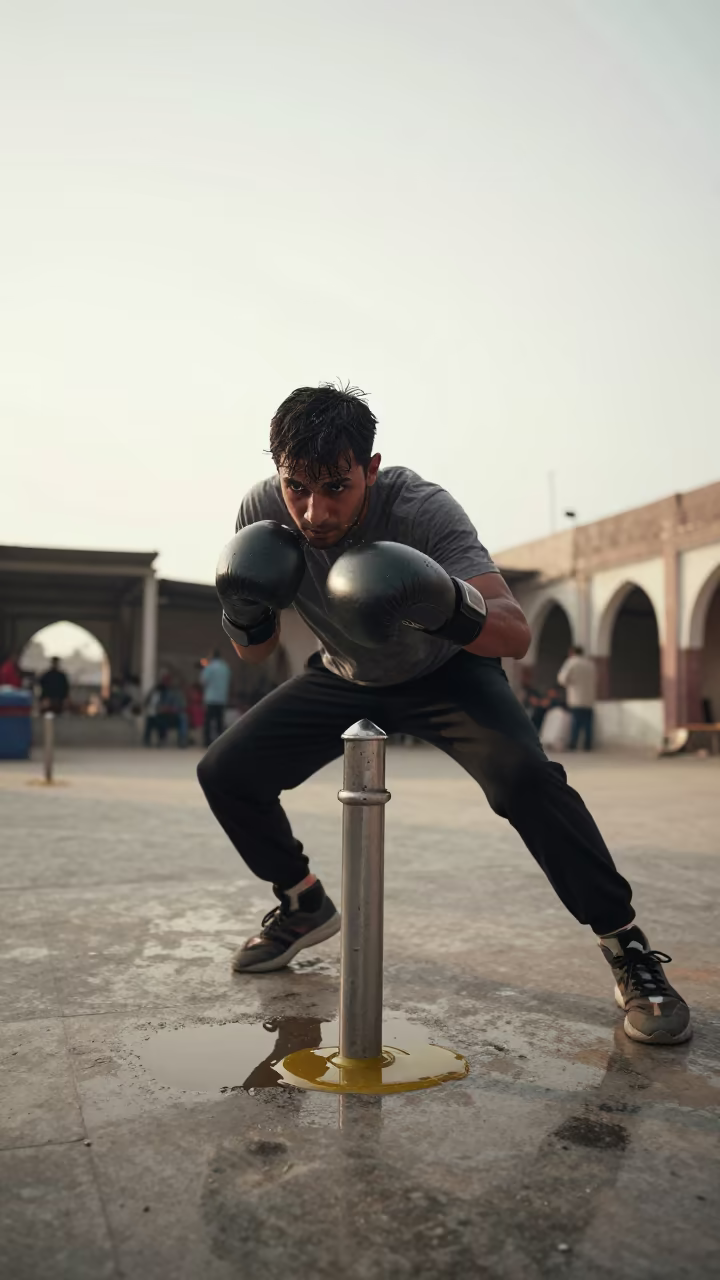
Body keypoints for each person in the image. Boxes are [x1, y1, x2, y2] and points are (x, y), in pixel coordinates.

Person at [197, 383, 690, 1046]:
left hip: (444, 672)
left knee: (526, 781)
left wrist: (444, 601)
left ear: (370, 470)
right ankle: (302, 901)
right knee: (226, 772)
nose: (313, 512)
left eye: (336, 488)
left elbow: (513, 633)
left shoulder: (422, 509)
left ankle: (626, 946)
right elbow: (254, 650)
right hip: (345, 673)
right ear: (277, 471)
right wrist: (243, 605)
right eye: (296, 488)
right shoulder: (262, 509)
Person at [557, 645, 597, 751]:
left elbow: (562, 679)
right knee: (588, 724)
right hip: (589, 699)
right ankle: (588, 745)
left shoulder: (571, 662)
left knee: (576, 723)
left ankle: (573, 744)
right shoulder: (590, 664)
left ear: (572, 652)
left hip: (576, 698)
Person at [201, 650, 232, 746]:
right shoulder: (225, 667)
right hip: (222, 699)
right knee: (219, 722)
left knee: (208, 721)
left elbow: (203, 681)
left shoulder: (209, 667)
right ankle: (219, 743)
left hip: (210, 698)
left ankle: (206, 742)